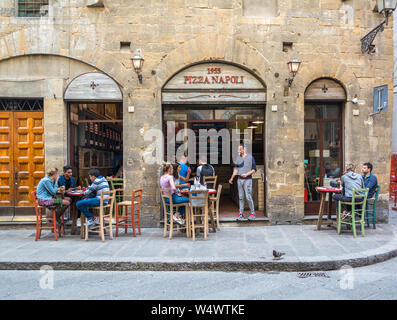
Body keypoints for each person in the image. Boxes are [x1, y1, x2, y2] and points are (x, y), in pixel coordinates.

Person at [229, 144, 257, 221]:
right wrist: (231, 178)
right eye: (238, 149)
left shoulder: (250, 157)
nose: (238, 150)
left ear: (244, 150)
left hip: (248, 180)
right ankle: (241, 213)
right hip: (239, 180)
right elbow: (236, 169)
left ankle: (252, 213)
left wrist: (246, 174)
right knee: (241, 197)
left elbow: (254, 169)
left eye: (240, 149)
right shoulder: (238, 158)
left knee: (248, 196)